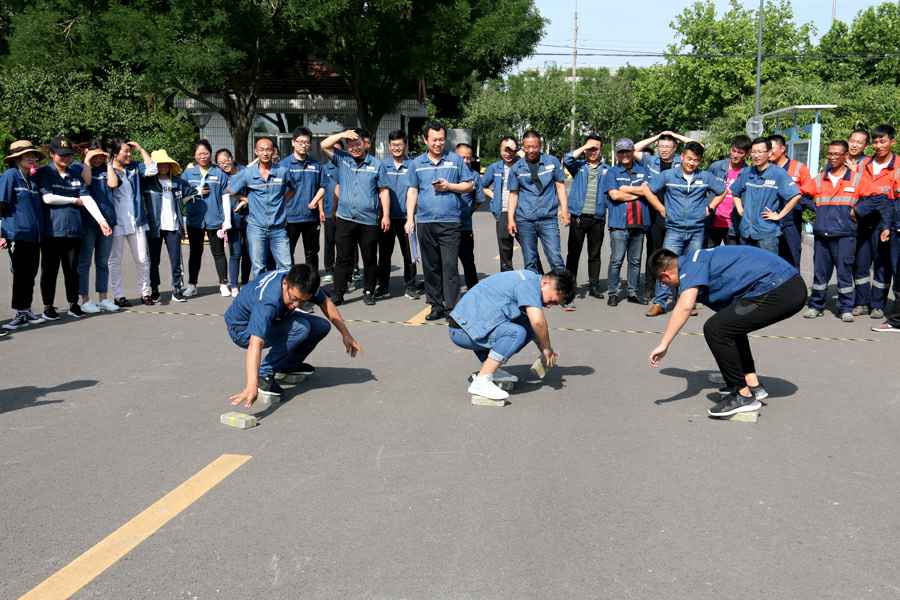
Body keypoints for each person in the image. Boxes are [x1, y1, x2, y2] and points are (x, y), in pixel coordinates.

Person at [648, 246, 806, 417]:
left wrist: (664, 344)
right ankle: (751, 384)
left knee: (715, 329)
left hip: (782, 288)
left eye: (663, 283)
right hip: (786, 284)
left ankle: (742, 396)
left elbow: (684, 307)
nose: (667, 286)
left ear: (665, 276)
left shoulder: (690, 267)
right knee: (730, 325)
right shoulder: (697, 259)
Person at [224, 264, 361, 407]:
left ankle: (286, 366)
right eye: (294, 298)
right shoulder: (268, 301)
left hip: (273, 318)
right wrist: (252, 385)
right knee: (300, 328)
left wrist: (346, 334)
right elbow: (255, 343)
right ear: (285, 284)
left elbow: (326, 302)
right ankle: (264, 374)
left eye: (302, 301)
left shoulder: (303, 281)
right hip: (242, 329)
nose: (296, 305)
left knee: (321, 326)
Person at [448, 268, 576, 403]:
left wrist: (544, 350)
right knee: (516, 333)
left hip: (468, 325)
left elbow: (534, 326)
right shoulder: (529, 286)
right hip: (462, 331)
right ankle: (482, 381)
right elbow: (538, 322)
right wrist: (546, 348)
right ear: (546, 283)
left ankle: (490, 368)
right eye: (552, 301)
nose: (549, 306)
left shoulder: (530, 279)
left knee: (526, 325)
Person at [643, 141, 726, 316]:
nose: (691, 163)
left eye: (695, 160)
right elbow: (647, 190)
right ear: (682, 157)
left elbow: (722, 191)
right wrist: (660, 208)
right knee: (665, 264)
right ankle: (660, 302)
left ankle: (686, 303)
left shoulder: (705, 177)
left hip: (697, 230)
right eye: (689, 159)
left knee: (691, 267)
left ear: (700, 161)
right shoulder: (668, 175)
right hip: (674, 230)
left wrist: (710, 208)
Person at [37, 135, 113, 319]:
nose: (65, 158)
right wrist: (73, 200)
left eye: (68, 154)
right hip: (51, 231)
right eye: (61, 154)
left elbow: (86, 197)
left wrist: (101, 220)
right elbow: (47, 198)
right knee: (50, 271)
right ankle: (48, 306)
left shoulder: (75, 172)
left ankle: (74, 304)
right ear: (52, 154)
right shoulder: (45, 172)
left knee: (72, 271)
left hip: (74, 230)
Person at [404, 121, 475, 320]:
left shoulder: (455, 160)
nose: (438, 143)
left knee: (450, 265)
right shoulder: (416, 163)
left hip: (450, 222)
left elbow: (469, 185)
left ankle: (452, 307)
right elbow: (412, 190)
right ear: (425, 140)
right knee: (430, 266)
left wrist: (449, 186)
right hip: (425, 222)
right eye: (434, 140)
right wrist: (409, 218)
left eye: (441, 139)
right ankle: (435, 305)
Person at [320, 129, 390, 306]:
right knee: (343, 258)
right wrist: (342, 134)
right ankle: (338, 292)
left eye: (358, 144)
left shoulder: (377, 165)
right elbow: (323, 145)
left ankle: (369, 291)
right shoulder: (342, 159)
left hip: (369, 220)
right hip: (345, 218)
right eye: (350, 145)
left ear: (365, 144)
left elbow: (383, 191)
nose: (354, 148)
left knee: (369, 258)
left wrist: (386, 215)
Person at [801, 140, 859, 322]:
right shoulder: (819, 178)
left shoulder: (856, 178)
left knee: (844, 273)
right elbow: (801, 195)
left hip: (845, 235)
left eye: (837, 154)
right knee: (820, 273)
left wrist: (858, 210)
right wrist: (815, 207)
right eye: (830, 154)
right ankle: (816, 306)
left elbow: (873, 198)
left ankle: (846, 308)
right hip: (822, 234)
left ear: (845, 156)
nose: (832, 157)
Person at [227, 137, 297, 279]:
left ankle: (283, 292)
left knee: (286, 266)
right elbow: (230, 190)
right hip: (256, 228)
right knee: (259, 267)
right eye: (261, 150)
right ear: (256, 152)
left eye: (268, 150)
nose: (265, 153)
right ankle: (260, 292)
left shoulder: (282, 171)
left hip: (278, 228)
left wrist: (283, 200)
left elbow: (293, 188)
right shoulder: (248, 173)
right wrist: (245, 199)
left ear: (273, 151)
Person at [603, 138, 661, 306]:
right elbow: (615, 195)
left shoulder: (643, 170)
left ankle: (632, 292)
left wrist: (626, 189)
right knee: (616, 260)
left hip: (639, 222)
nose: (624, 155)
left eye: (627, 151)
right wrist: (640, 193)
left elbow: (650, 190)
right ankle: (613, 293)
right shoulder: (612, 172)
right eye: (621, 152)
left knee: (635, 261)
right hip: (619, 224)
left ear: (632, 152)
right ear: (617, 154)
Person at [634, 130, 692, 296]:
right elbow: (634, 148)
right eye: (661, 146)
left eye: (667, 147)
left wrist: (674, 134)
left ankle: (676, 289)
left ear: (675, 149)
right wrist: (657, 136)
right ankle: (650, 287)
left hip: (676, 213)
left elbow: (699, 146)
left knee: (675, 252)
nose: (664, 150)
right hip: (654, 214)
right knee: (654, 250)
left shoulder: (682, 161)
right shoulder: (651, 160)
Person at [506, 130, 569, 274]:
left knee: (555, 259)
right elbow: (513, 195)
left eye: (534, 147)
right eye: (527, 147)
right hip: (525, 220)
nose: (531, 150)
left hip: (548, 219)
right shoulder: (516, 168)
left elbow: (560, 187)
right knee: (530, 262)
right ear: (523, 146)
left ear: (540, 146)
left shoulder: (552, 162)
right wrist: (510, 220)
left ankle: (562, 287)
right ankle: (535, 287)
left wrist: (565, 210)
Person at [0, 140, 47, 330]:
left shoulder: (32, 179)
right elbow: (1, 205)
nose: (32, 158)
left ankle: (26, 309)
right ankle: (20, 312)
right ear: (17, 159)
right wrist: (1, 233)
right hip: (17, 234)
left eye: (33, 155)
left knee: (30, 273)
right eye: (27, 156)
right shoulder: (10, 175)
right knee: (21, 274)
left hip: (34, 236)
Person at [852, 124, 896, 319]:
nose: (878, 145)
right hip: (863, 220)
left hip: (886, 222)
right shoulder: (864, 164)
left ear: (892, 142)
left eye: (883, 141)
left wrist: (889, 224)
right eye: (876, 142)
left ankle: (878, 304)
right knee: (860, 263)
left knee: (882, 264)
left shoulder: (898, 166)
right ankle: (861, 302)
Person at [729, 137, 802, 254]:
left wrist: (779, 215)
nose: (756, 155)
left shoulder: (778, 174)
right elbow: (735, 192)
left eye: (760, 152)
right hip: (746, 232)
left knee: (767, 264)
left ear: (769, 153)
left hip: (767, 235)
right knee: (747, 264)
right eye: (753, 152)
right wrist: (740, 210)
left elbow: (795, 195)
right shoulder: (747, 172)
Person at [107, 138, 156, 307]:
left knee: (142, 258)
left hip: (136, 220)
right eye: (125, 151)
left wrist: (140, 148)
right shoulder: (108, 169)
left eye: (130, 151)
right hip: (116, 222)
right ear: (115, 154)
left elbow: (152, 169)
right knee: (115, 260)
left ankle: (146, 293)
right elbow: (111, 185)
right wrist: (109, 164)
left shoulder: (134, 167)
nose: (129, 154)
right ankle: (118, 295)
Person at [562, 134, 609, 306]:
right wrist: (584, 147)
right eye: (590, 148)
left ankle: (594, 285)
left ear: (601, 150)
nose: (593, 151)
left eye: (596, 148)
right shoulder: (579, 167)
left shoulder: (607, 169)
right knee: (573, 253)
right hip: (578, 217)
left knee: (594, 254)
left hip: (597, 218)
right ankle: (569, 286)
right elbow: (567, 159)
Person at [143, 150, 195, 303]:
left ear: (170, 165)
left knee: (176, 260)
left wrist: (185, 201)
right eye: (160, 164)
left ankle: (177, 290)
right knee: (153, 261)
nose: (163, 167)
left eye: (166, 164)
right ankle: (154, 290)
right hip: (154, 227)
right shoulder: (147, 182)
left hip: (173, 225)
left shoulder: (178, 182)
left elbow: (192, 192)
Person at [73, 141, 119, 313]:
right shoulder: (79, 167)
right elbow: (86, 180)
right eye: (95, 155)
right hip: (88, 222)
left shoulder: (107, 169)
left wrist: (109, 163)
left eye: (101, 155)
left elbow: (113, 184)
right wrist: (87, 159)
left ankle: (103, 298)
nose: (98, 159)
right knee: (84, 262)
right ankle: (85, 300)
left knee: (102, 262)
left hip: (108, 220)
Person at [182, 140, 231, 297]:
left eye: (205, 153)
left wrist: (227, 220)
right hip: (195, 220)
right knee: (195, 253)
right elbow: (182, 198)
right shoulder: (188, 174)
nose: (202, 156)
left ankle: (223, 284)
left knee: (219, 253)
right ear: (194, 155)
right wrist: (195, 192)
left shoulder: (219, 173)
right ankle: (192, 285)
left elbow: (225, 198)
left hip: (215, 219)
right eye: (199, 154)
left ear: (210, 154)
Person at [377, 130, 418, 299]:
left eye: (400, 145)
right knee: (384, 254)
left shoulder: (413, 165)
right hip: (386, 218)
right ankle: (383, 286)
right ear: (389, 146)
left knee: (409, 254)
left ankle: (410, 286)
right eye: (393, 145)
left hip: (407, 218)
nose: (396, 148)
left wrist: (412, 217)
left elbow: (416, 190)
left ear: (405, 145)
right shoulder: (382, 165)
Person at [279, 127, 325, 269]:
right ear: (293, 142)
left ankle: (312, 281)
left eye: (307, 142)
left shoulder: (316, 164)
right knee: (288, 253)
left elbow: (323, 186)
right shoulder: (283, 165)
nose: (303, 145)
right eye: (300, 142)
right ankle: (290, 280)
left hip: (311, 218)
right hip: (290, 218)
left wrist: (315, 200)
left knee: (312, 254)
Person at [769, 134, 812, 268]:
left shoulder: (799, 168)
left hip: (791, 221)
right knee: (771, 259)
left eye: (771, 148)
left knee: (792, 258)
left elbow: (808, 193)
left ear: (782, 149)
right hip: (769, 220)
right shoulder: (766, 168)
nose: (769, 152)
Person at [216, 148, 251, 296]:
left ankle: (246, 283)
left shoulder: (246, 171)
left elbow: (254, 192)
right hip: (231, 220)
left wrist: (244, 200)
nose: (224, 165)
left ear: (232, 158)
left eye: (226, 160)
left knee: (248, 253)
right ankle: (234, 285)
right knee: (235, 253)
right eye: (220, 163)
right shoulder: (221, 176)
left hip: (249, 218)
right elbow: (221, 195)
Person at [481, 136, 519, 272]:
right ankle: (506, 278)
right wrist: (494, 195)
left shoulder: (523, 165)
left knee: (529, 249)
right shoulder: (494, 167)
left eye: (511, 150)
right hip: (503, 212)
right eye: (505, 150)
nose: (508, 154)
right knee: (505, 251)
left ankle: (535, 278)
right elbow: (482, 185)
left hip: (522, 212)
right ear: (500, 150)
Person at [705, 135, 750, 247]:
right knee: (710, 254)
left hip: (734, 225)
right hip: (713, 221)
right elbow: (704, 188)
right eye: (734, 151)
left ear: (747, 154)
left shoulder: (749, 172)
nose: (735, 155)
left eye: (740, 153)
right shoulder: (716, 167)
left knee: (733, 256)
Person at [455, 142, 483, 291]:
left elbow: (479, 200)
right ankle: (447, 291)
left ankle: (473, 290)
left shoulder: (475, 176)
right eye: (462, 157)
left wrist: (468, 211)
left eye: (468, 158)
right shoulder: (450, 173)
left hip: (465, 226)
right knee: (447, 262)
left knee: (468, 261)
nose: (466, 161)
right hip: (447, 225)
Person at [320, 140, 342, 285]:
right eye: (332, 149)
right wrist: (321, 210)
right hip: (328, 211)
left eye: (338, 150)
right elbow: (320, 190)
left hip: (345, 213)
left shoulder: (346, 166)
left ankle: (352, 269)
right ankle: (329, 269)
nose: (334, 152)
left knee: (347, 243)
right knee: (329, 242)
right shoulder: (323, 168)